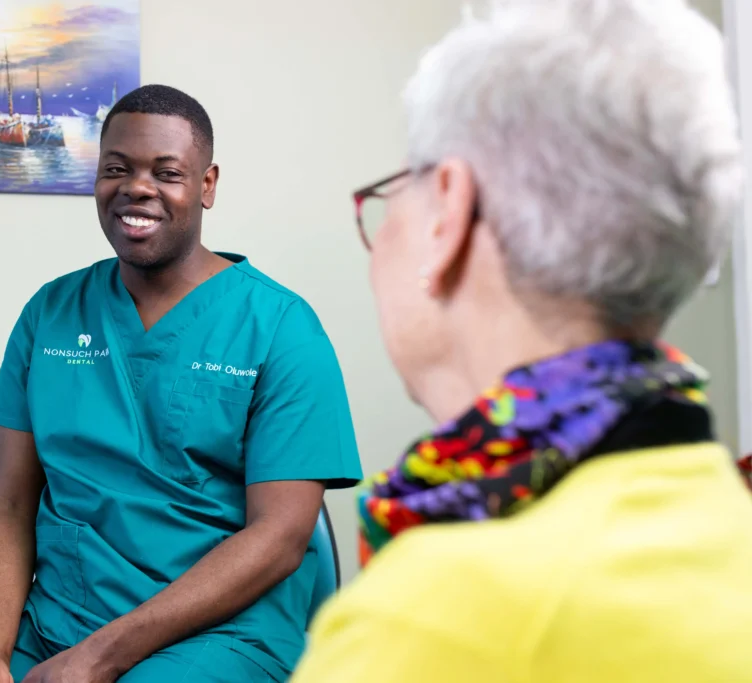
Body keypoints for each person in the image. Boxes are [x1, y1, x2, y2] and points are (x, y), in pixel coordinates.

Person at [292, 0, 752, 681]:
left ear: (449, 210)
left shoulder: (429, 623)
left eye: (393, 194)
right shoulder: (727, 523)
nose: (378, 240)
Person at [0, 85, 361, 683]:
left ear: (208, 185)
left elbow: (281, 536)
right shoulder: (51, 313)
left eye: (167, 172)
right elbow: (8, 503)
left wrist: (96, 659)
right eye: (116, 168)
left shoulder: (281, 329)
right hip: (53, 622)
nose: (137, 188)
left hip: (217, 634)